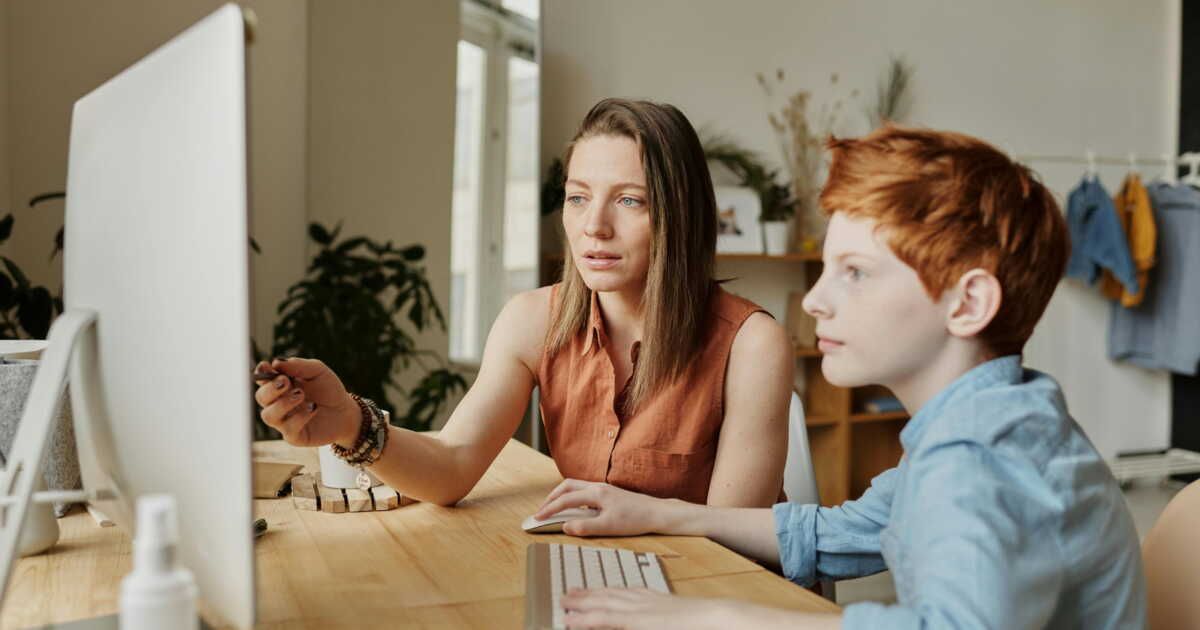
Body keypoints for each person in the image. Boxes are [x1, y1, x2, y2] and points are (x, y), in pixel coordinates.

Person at [540, 125, 1147, 629]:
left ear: (967, 305)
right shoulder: (996, 419)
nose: (814, 301)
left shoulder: (979, 459)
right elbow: (842, 531)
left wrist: (708, 617)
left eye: (854, 272)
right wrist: (657, 512)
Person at [253, 98, 793, 509]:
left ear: (681, 215)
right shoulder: (533, 319)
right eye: (578, 197)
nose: (593, 226)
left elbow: (732, 544)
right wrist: (350, 422)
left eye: (630, 200)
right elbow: (452, 466)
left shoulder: (752, 344)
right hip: (603, 579)